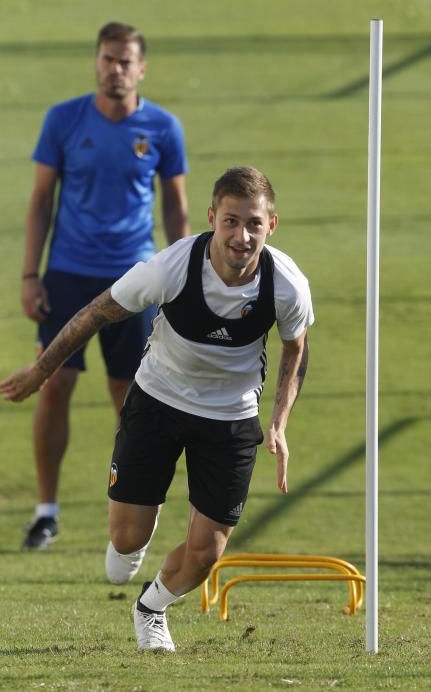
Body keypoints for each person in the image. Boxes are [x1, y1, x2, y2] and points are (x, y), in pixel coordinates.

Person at [1, 166, 314, 652]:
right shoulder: (168, 268)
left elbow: (296, 348)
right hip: (158, 401)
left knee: (207, 552)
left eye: (253, 223)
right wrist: (40, 373)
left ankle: (152, 607)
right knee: (124, 545)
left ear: (271, 225)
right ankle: (135, 534)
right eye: (230, 222)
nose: (241, 235)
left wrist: (279, 422)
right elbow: (93, 315)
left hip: (230, 416)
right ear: (212, 218)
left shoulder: (287, 285)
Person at [19, 21, 189, 550]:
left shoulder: (163, 127)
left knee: (132, 396)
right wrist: (30, 274)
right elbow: (41, 199)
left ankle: (134, 510)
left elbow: (176, 205)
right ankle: (46, 512)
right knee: (54, 383)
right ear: (96, 62)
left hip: (134, 278)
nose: (115, 70)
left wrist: (182, 278)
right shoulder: (64, 120)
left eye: (125, 62)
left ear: (142, 68)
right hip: (68, 273)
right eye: (108, 59)